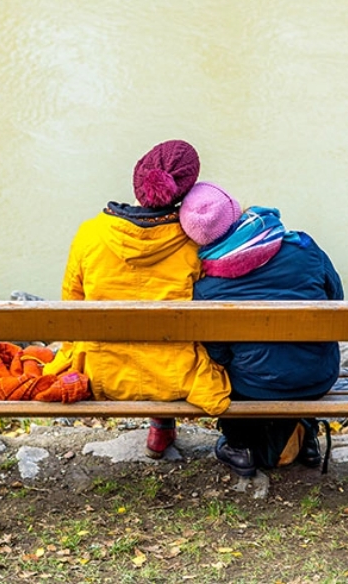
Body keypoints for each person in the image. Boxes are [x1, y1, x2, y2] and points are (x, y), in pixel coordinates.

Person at [42, 141, 231, 458]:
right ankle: (162, 427)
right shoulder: (195, 246)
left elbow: (70, 310)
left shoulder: (90, 235)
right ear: (186, 192)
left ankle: (160, 428)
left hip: (102, 374)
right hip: (180, 375)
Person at [179, 182, 344, 477]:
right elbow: (337, 301)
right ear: (236, 211)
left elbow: (217, 354)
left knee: (222, 367)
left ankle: (239, 445)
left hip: (255, 388)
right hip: (319, 377)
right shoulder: (304, 248)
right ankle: (305, 435)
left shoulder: (206, 289)